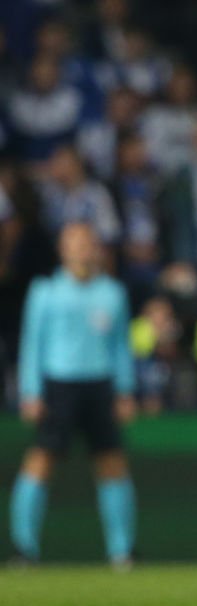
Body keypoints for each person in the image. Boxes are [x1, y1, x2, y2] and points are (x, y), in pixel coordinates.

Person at [9, 222, 138, 568]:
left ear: (96, 248)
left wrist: (125, 391)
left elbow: (120, 347)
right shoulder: (45, 292)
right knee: (40, 462)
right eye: (74, 242)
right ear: (62, 250)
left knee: (112, 464)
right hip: (58, 385)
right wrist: (31, 392)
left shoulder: (113, 293)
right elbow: (32, 345)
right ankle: (25, 548)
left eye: (87, 242)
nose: (82, 249)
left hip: (99, 385)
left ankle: (121, 551)